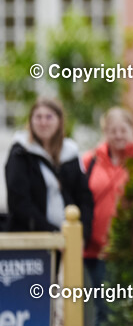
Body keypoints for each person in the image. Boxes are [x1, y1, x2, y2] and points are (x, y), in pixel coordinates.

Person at [82, 107, 133, 324]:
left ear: (132, 130)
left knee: (123, 308)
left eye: (122, 130)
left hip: (129, 249)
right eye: (112, 130)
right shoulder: (89, 161)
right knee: (103, 307)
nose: (118, 135)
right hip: (95, 249)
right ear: (105, 132)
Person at [5, 98, 93, 238]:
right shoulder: (21, 153)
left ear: (59, 121)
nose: (43, 122)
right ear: (31, 121)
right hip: (33, 240)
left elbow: (84, 198)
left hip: (70, 240)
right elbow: (19, 202)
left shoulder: (70, 153)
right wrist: (52, 233)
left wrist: (82, 234)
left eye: (49, 117)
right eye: (38, 117)